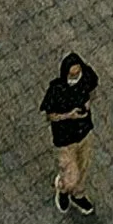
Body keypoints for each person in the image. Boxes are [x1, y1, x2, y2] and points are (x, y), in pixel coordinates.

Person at [41, 54, 98, 215]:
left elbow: (93, 89)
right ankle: (64, 188)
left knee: (83, 167)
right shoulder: (56, 90)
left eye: (77, 72)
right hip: (65, 139)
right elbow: (50, 115)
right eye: (72, 74)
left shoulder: (86, 77)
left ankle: (78, 195)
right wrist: (69, 115)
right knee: (71, 176)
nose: (76, 77)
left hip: (84, 132)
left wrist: (88, 102)